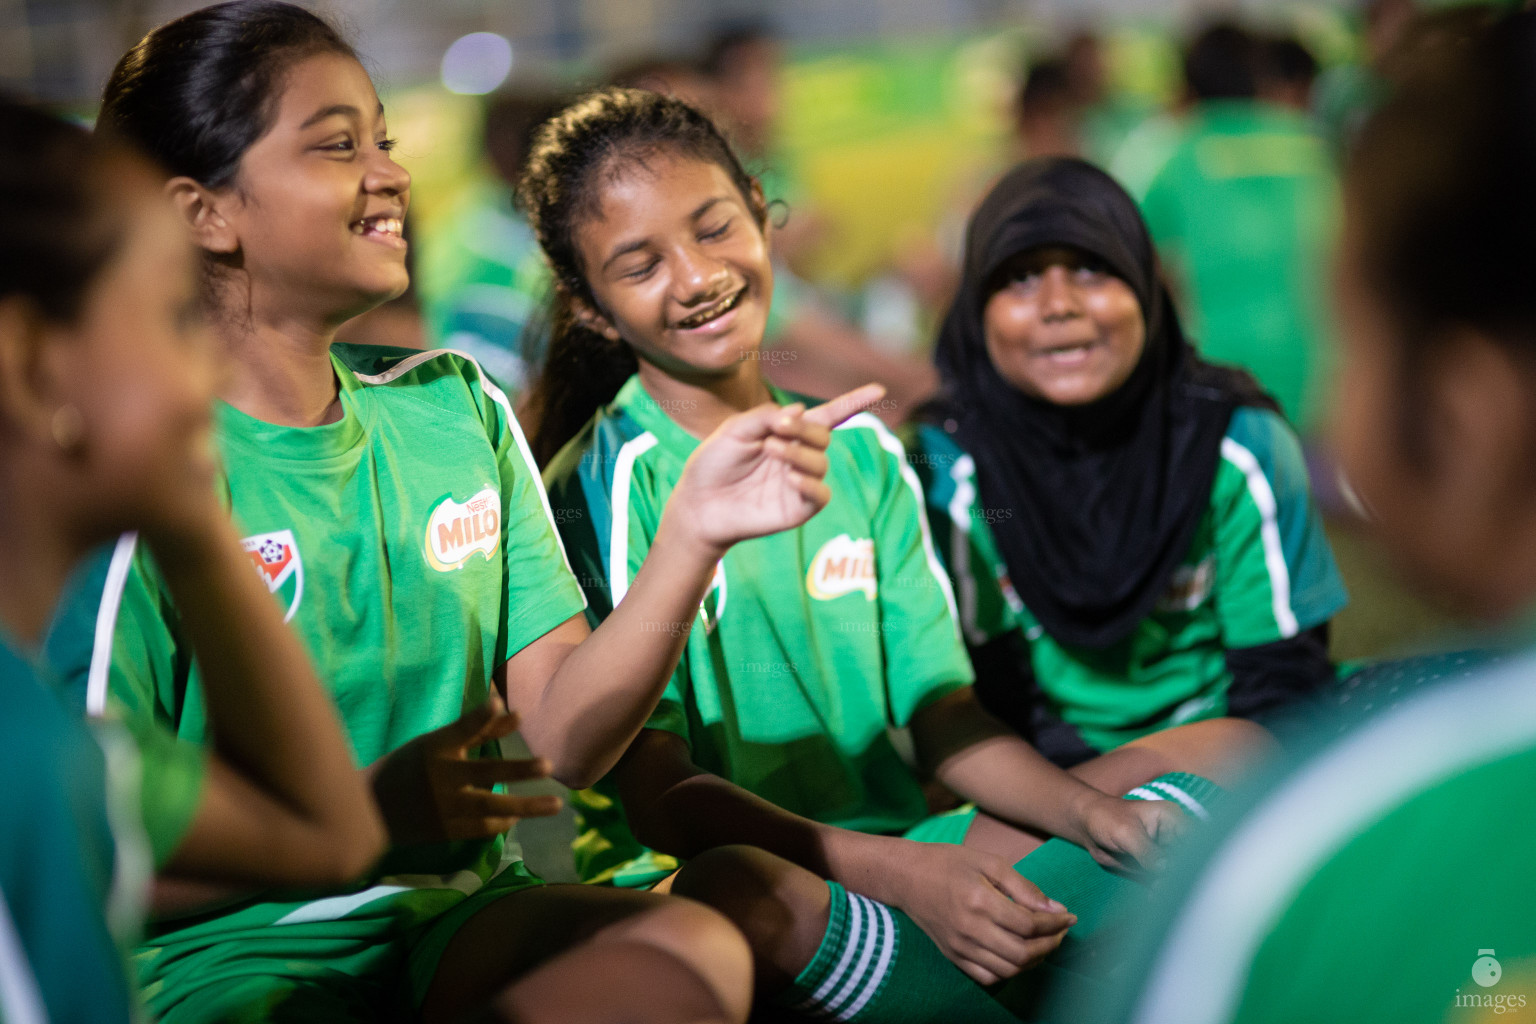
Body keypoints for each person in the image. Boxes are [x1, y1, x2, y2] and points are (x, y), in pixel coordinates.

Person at [50, 3, 881, 1020]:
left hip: (460, 917)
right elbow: (67, 855)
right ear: (204, 213)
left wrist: (693, 535)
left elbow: (560, 746)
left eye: (385, 142)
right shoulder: (132, 476)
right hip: (239, 965)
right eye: (338, 146)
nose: (392, 175)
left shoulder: (454, 409)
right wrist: (359, 818)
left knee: (692, 940)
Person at [529, 87, 1274, 1022]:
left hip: (896, 845)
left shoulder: (867, 453)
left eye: (714, 228)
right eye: (639, 264)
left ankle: (947, 975)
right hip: (736, 885)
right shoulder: (603, 483)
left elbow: (942, 715)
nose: (695, 276)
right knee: (735, 884)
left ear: (762, 212)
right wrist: (911, 877)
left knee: (1233, 748)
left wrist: (1089, 818)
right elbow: (665, 799)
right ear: (593, 309)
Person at [1049, 12, 1536, 1022]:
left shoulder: (1299, 864)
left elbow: (1140, 262)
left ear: (1462, 409)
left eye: (1351, 333)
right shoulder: (1319, 141)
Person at [0, 98, 384, 1020]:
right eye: (176, 319)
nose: (210, 373)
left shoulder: (66, 743)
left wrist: (195, 523)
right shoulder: (24, 759)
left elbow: (329, 837)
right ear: (29, 367)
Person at [910, 157, 1346, 769]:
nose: (1059, 305)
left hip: (1229, 754)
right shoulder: (945, 464)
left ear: (1146, 285)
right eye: (1020, 278)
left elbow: (1282, 682)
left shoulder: (1238, 441)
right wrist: (1086, 806)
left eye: (1092, 268)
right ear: (975, 309)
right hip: (1049, 779)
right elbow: (989, 693)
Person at [1131, 23, 1338, 434]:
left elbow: (1134, 260)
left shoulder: (1176, 154)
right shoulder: (1311, 142)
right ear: (1259, 77)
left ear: (1186, 85)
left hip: (1224, 382)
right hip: (1324, 377)